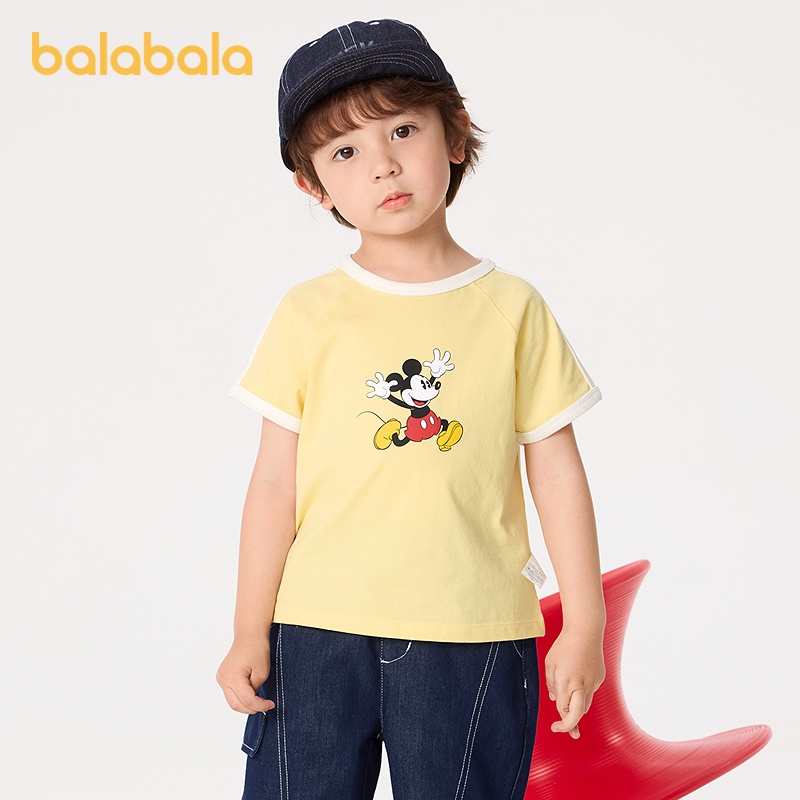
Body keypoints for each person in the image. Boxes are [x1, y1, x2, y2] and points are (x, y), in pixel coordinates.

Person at [216, 18, 606, 800]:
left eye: (402, 129)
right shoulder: (308, 313)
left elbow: (557, 473)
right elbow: (273, 485)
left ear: (455, 133)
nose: (383, 165)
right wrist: (248, 629)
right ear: (312, 185)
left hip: (472, 630)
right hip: (317, 628)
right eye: (344, 152)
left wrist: (585, 622)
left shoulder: (512, 308)